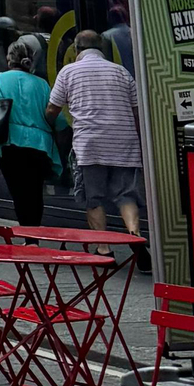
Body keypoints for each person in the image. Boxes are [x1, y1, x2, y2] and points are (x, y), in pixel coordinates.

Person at [50, 27, 148, 255]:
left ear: (76, 49)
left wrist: (50, 123)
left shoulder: (68, 72)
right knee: (126, 195)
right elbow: (136, 112)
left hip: (90, 144)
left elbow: (52, 108)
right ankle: (135, 237)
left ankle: (104, 249)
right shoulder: (121, 72)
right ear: (102, 47)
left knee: (92, 198)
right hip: (124, 143)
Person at [0, 34, 68, 225]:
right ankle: (33, 232)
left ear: (9, 59)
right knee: (35, 191)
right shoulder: (41, 84)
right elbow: (59, 120)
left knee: (17, 190)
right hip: (39, 144)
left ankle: (28, 235)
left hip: (8, 142)